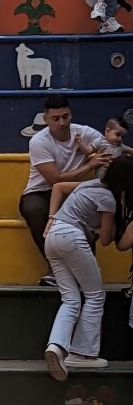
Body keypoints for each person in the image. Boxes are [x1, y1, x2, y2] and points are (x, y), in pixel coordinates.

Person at [42, 157, 133, 379]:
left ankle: (56, 346)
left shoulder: (91, 184)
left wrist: (52, 216)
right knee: (94, 295)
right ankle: (82, 352)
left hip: (52, 236)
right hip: (72, 237)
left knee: (71, 298)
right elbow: (105, 241)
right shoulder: (109, 200)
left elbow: (59, 187)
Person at [20, 95, 108, 284]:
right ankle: (58, 269)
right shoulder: (38, 141)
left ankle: (83, 270)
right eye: (56, 118)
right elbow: (55, 179)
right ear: (45, 119)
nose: (62, 122)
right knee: (33, 209)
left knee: (86, 204)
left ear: (71, 114)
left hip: (74, 190)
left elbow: (110, 149)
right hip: (41, 191)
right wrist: (90, 165)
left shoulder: (84, 133)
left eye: (65, 116)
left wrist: (93, 153)